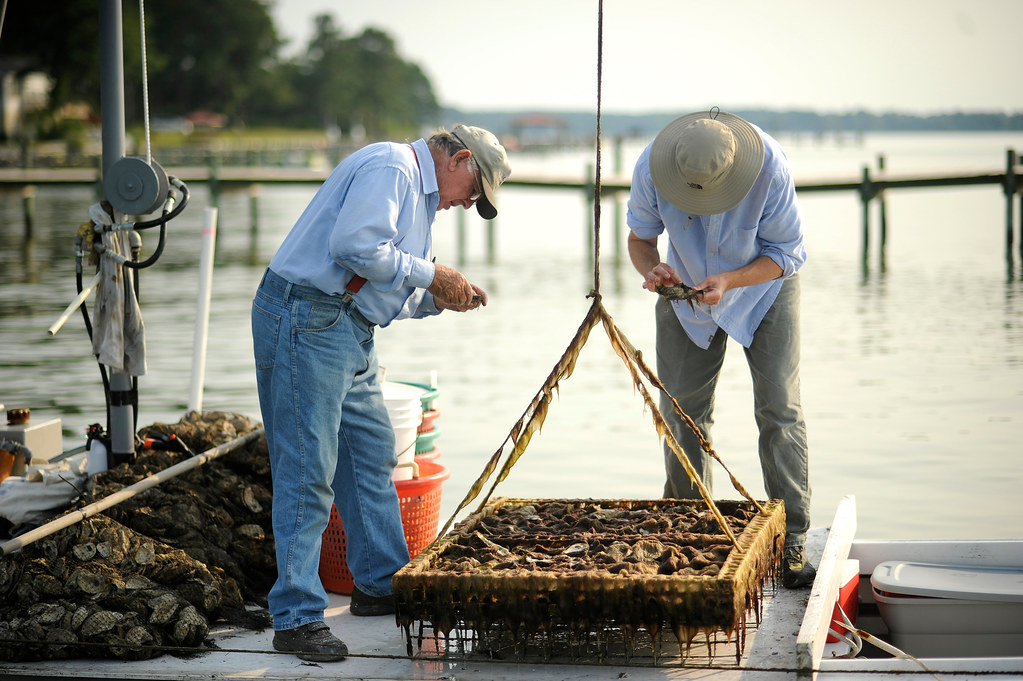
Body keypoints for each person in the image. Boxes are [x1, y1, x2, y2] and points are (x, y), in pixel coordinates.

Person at [251, 124, 512, 661]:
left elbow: (389, 283)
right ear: (459, 159)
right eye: (473, 192)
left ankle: (377, 583)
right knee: (308, 470)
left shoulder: (416, 197)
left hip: (347, 327)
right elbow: (354, 248)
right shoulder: (392, 168)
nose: (466, 205)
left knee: (370, 457)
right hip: (307, 315)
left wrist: (441, 297)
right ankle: (296, 615)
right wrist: (434, 273)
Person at [626, 109, 815, 589]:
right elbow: (640, 240)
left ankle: (792, 539)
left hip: (764, 286)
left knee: (779, 409)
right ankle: (690, 529)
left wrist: (732, 279)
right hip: (684, 288)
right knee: (682, 410)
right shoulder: (650, 166)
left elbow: (788, 253)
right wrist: (653, 270)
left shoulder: (771, 166)